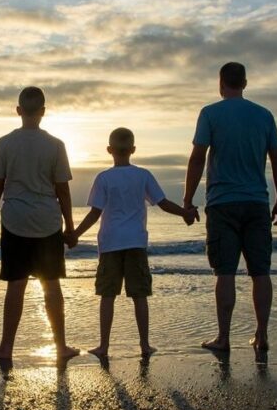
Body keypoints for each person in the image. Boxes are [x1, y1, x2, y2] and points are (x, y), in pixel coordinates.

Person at [183, 62, 277, 355]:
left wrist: (188, 200)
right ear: (245, 82)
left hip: (222, 203)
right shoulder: (263, 115)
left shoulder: (210, 113)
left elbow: (197, 158)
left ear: (221, 83)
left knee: (225, 272)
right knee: (260, 271)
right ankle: (262, 334)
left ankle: (224, 337)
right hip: (256, 201)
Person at [69, 128, 197, 359]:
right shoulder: (143, 175)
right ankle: (145, 344)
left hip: (110, 244)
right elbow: (163, 203)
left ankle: (104, 346)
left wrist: (75, 234)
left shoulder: (104, 178)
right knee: (139, 295)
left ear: (109, 150)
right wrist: (185, 213)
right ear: (133, 150)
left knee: (107, 295)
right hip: (136, 242)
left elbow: (95, 213)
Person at [0, 86, 79, 361]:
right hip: (47, 220)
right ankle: (60, 347)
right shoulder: (56, 145)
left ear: (19, 111)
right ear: (43, 112)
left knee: (16, 284)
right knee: (52, 285)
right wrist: (70, 226)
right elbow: (63, 190)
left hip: (15, 220)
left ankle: (6, 347)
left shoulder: (5, 143)